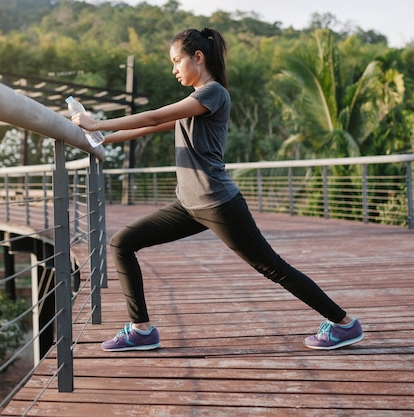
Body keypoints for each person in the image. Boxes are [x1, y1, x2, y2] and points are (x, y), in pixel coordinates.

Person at [71, 27, 364, 352]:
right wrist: (100, 139)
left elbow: (153, 118)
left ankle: (343, 323)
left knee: (274, 268)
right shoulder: (193, 103)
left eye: (177, 61)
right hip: (189, 205)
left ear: (198, 57)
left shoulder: (212, 93)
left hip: (218, 203)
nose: (174, 69)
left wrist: (96, 123)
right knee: (123, 242)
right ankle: (141, 329)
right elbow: (146, 129)